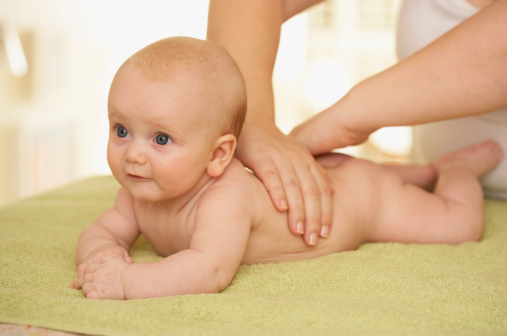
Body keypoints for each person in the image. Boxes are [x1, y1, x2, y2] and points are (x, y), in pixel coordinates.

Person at [71, 36, 503, 300]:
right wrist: (100, 257)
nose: (134, 155)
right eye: (121, 130)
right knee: (378, 174)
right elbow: (101, 231)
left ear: (219, 156)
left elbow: (209, 269)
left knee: (457, 223)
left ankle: (455, 170)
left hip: (362, 203)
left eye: (161, 139)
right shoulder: (137, 192)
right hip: (329, 174)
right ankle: (418, 174)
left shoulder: (226, 196)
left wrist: (128, 281)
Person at [206, 0, 507, 247]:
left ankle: (450, 170)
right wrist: (251, 119)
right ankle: (439, 171)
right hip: (423, 184)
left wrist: (351, 115)